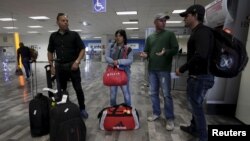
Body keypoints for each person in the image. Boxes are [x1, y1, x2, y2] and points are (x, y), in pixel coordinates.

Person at [176, 4, 215, 141]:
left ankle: (203, 136)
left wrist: (182, 68)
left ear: (196, 15)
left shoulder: (202, 32)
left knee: (196, 107)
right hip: (198, 77)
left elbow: (201, 55)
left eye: (187, 16)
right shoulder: (197, 32)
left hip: (200, 77)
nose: (184, 19)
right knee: (195, 104)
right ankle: (193, 128)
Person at [140, 13, 179, 130]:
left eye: (164, 21)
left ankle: (170, 118)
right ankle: (156, 113)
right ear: (155, 22)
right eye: (161, 20)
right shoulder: (150, 38)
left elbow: (175, 49)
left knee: (166, 95)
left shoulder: (170, 35)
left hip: (164, 70)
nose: (164, 22)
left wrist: (165, 52)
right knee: (153, 93)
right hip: (152, 70)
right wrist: (144, 54)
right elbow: (147, 52)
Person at [47, 13, 88, 119]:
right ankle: (64, 109)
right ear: (57, 22)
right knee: (62, 90)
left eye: (67, 21)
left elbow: (82, 49)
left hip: (72, 66)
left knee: (78, 88)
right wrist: (51, 65)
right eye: (63, 20)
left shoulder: (74, 35)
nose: (66, 22)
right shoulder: (53, 36)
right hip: (59, 67)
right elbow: (50, 51)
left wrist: (77, 61)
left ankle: (82, 109)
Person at [105, 29, 133, 106]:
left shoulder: (128, 49)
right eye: (116, 36)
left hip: (124, 73)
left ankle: (128, 111)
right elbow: (106, 57)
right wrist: (113, 62)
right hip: (112, 73)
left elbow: (130, 60)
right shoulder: (111, 46)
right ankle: (113, 111)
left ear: (124, 37)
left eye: (120, 36)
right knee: (113, 95)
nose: (118, 38)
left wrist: (119, 61)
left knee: (126, 93)